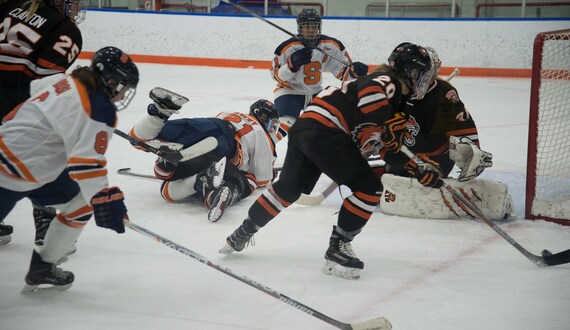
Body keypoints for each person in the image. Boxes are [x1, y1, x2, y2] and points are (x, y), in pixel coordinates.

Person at [219, 43, 444, 280]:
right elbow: (370, 97)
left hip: (306, 128)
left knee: (287, 189)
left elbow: (386, 144)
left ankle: (243, 232)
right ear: (411, 71)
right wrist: (387, 122)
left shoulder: (392, 101)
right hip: (328, 131)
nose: (425, 80)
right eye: (423, 73)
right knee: (369, 189)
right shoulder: (390, 82)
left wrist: (414, 168)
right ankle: (338, 247)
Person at [0, 46, 139, 293]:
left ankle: (43, 267)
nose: (123, 93)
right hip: (10, 171)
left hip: (32, 167)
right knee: (88, 198)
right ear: (109, 79)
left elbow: (27, 98)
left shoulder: (66, 79)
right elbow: (86, 163)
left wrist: (97, 198)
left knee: (81, 201)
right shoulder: (100, 109)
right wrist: (105, 201)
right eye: (123, 85)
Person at [371, 44, 502, 220]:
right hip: (404, 155)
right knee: (368, 181)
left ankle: (391, 173)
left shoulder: (443, 95)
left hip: (434, 159)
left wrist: (469, 153)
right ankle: (388, 172)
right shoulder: (391, 90)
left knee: (406, 186)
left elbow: (466, 135)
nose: (424, 78)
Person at [0, 0, 85, 247]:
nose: (78, 8)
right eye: (75, 2)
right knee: (47, 158)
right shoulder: (65, 28)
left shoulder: (7, 7)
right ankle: (46, 225)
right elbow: (45, 83)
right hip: (14, 107)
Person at [129, 95, 279, 222]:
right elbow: (262, 180)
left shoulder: (231, 113)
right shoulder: (264, 137)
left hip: (207, 125)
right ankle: (220, 191)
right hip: (222, 148)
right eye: (272, 124)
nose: (272, 129)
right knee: (248, 181)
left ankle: (159, 116)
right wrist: (271, 174)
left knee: (149, 141)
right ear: (265, 119)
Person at [270, 8, 369, 141]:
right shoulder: (287, 47)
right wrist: (291, 65)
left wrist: (354, 71)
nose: (311, 30)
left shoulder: (331, 45)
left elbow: (342, 73)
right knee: (286, 123)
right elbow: (276, 76)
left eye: (314, 26)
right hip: (289, 92)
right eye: (307, 26)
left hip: (316, 93)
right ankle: (268, 147)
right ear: (300, 28)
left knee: (335, 121)